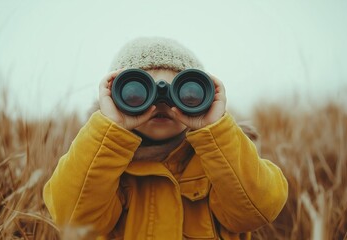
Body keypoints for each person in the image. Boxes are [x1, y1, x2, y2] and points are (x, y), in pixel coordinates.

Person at [43, 37, 288, 240]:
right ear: (114, 97)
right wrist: (110, 129)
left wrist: (216, 130)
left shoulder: (219, 159)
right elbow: (73, 220)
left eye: (183, 92)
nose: (162, 103)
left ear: (205, 97)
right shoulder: (105, 161)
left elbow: (257, 210)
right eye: (138, 91)